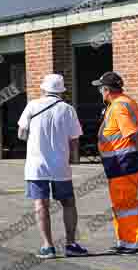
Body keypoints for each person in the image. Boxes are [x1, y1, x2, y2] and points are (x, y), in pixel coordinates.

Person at [17, 74, 87, 259]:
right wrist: (73, 159)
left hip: (35, 165)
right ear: (62, 90)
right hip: (60, 166)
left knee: (41, 204)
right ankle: (71, 244)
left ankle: (48, 246)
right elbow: (74, 140)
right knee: (68, 203)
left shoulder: (32, 106)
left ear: (43, 89)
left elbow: (21, 132)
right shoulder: (68, 109)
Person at [92, 71, 138, 255]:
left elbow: (132, 132)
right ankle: (125, 241)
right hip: (120, 162)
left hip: (124, 162)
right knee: (121, 203)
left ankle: (134, 243)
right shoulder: (124, 102)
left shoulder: (118, 106)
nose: (100, 92)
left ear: (107, 89)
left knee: (126, 203)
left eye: (101, 88)